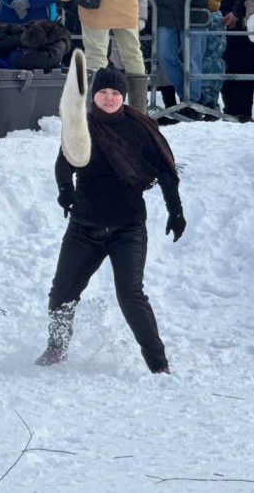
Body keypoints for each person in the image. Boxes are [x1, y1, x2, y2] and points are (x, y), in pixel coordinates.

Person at [36, 66, 185, 374]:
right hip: (84, 227)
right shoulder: (82, 126)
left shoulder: (139, 128)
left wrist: (176, 211)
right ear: (95, 95)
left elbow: (167, 174)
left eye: (115, 93)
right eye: (103, 92)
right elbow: (64, 163)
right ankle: (56, 349)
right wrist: (65, 191)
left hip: (127, 228)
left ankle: (158, 364)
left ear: (123, 97)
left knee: (130, 294)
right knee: (62, 291)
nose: (109, 98)